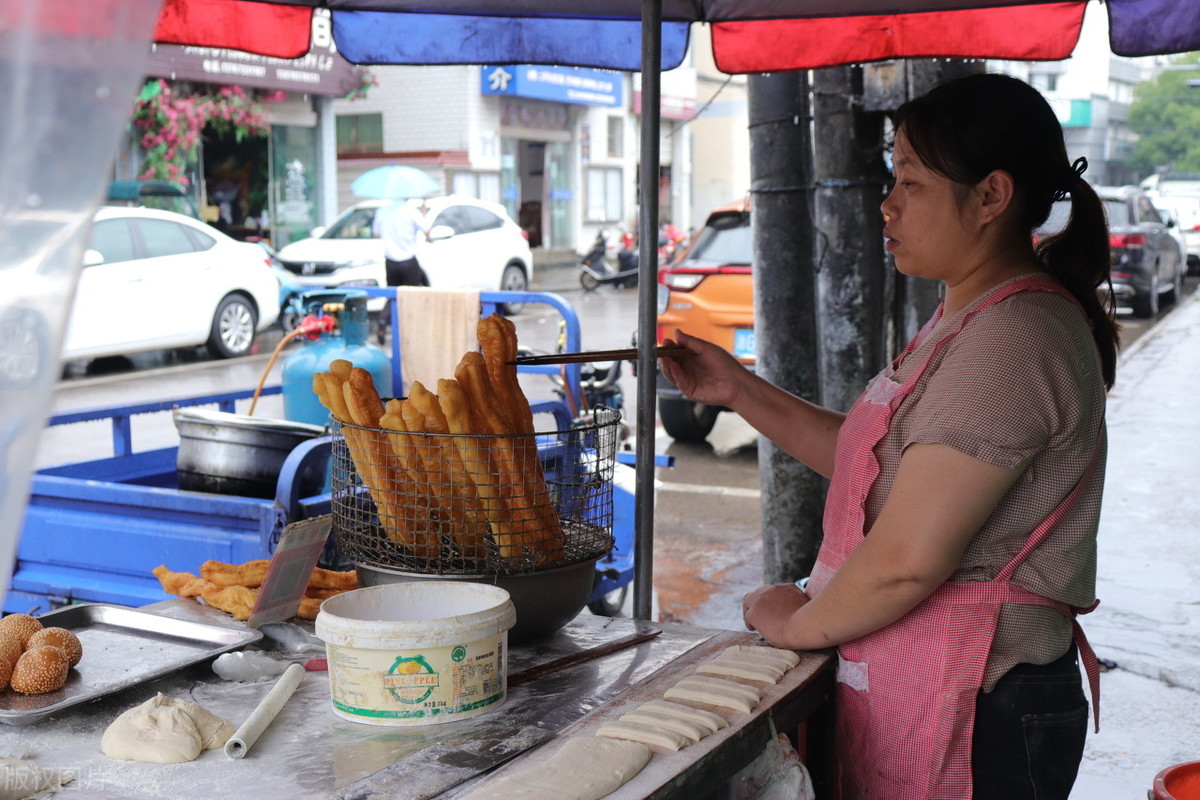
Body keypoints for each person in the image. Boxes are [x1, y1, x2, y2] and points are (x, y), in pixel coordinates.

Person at [659, 73, 1117, 800]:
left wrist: (799, 624)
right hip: (928, 680)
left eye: (910, 181)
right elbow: (875, 466)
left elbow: (907, 561)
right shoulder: (964, 317)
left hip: (985, 702)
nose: (888, 204)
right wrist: (737, 391)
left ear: (992, 196)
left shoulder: (1016, 338)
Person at [373, 197, 431, 287]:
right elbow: (427, 231)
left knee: (394, 295)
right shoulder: (412, 211)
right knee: (413, 294)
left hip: (390, 262)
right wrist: (424, 215)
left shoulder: (382, 211)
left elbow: (376, 234)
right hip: (409, 260)